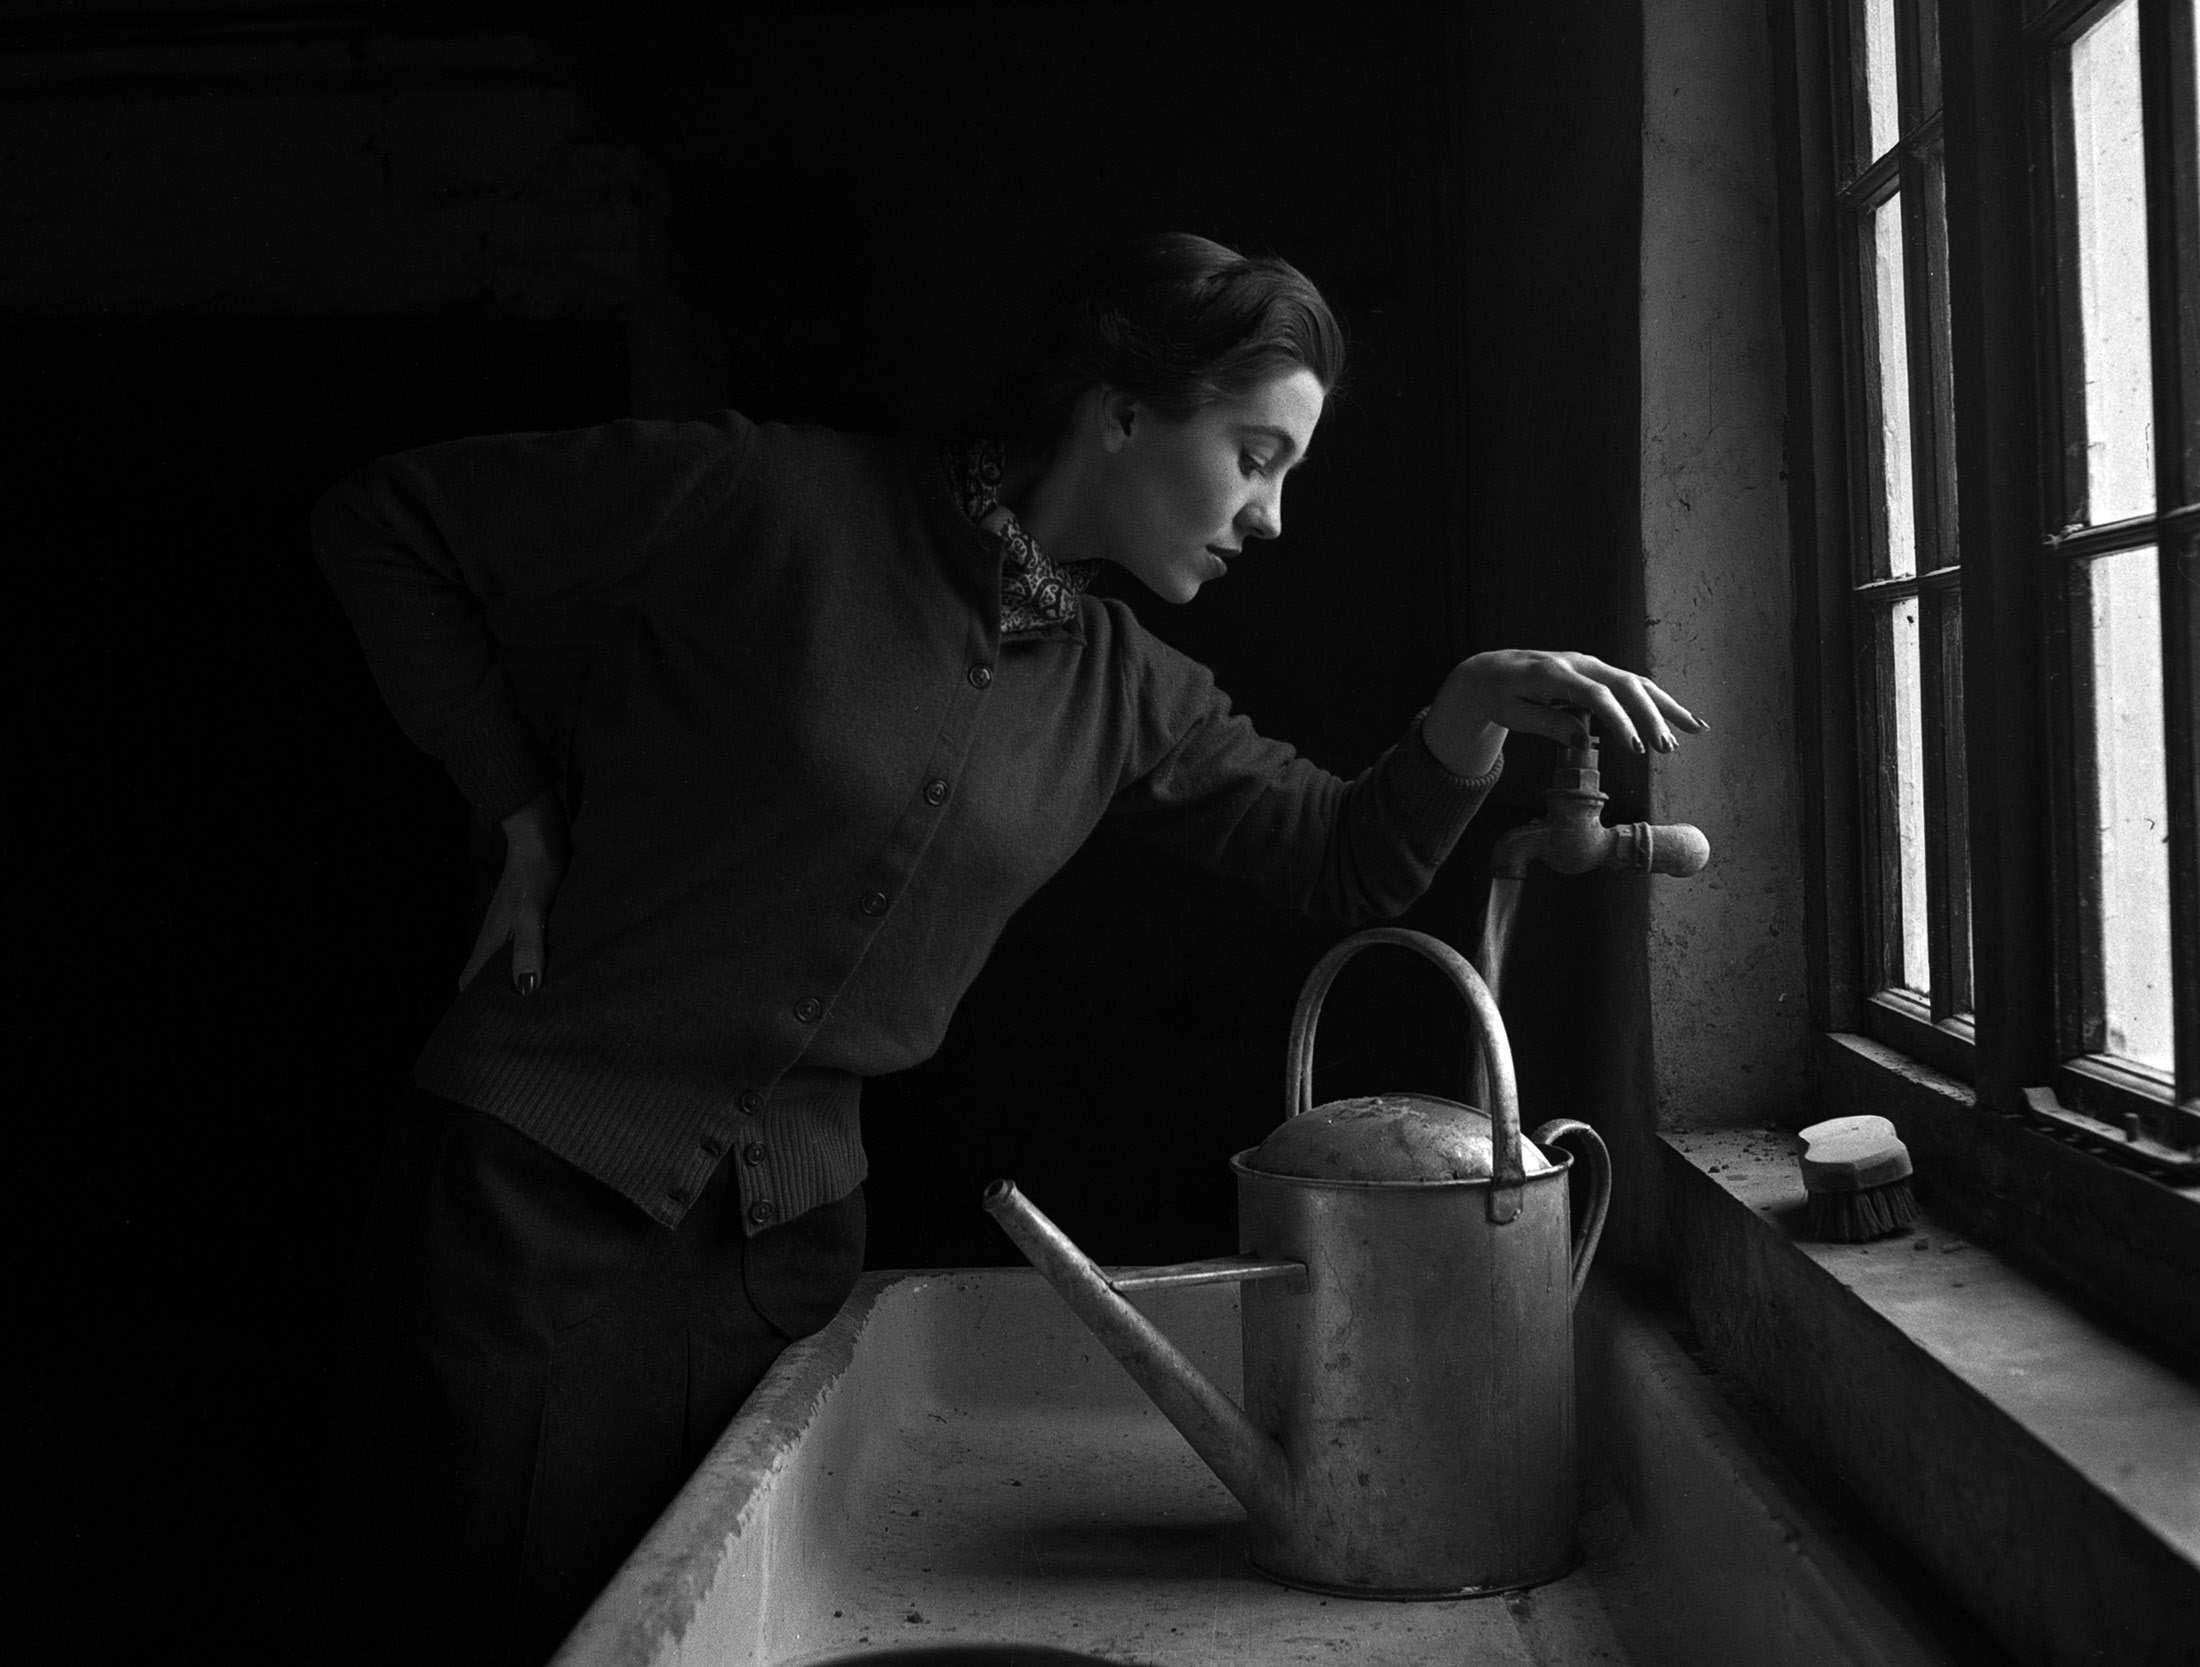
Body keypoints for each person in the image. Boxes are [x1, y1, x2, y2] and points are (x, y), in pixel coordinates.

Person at [310, 231, 1705, 1663]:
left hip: (776, 1260)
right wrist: (516, 806)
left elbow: (1344, 858)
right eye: (1255, 454)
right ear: (1120, 411)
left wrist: (1469, 711)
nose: (1272, 516)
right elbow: (391, 524)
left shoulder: (1131, 692)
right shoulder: (769, 498)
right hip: (527, 1203)